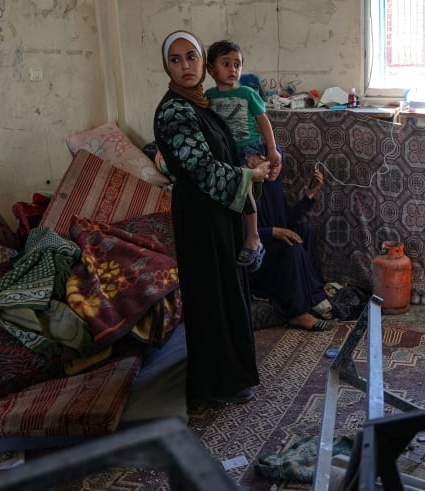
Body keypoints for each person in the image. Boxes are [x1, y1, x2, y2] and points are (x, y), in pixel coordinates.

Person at [153, 30, 270, 405]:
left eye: (192, 57)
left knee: (227, 294)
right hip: (200, 217)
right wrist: (249, 176)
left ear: (203, 62)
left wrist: (246, 165)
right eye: (176, 59)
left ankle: (232, 377)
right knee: (210, 297)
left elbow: (225, 153)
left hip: (220, 212)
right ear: (166, 66)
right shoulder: (174, 110)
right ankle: (213, 384)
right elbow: (201, 169)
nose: (185, 66)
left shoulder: (200, 103)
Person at [205, 40, 282, 270]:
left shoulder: (248, 93)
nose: (233, 69)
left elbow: (263, 121)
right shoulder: (207, 96)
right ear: (211, 69)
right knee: (227, 193)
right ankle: (235, 238)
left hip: (248, 149)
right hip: (224, 152)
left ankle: (254, 236)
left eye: (237, 64)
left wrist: (271, 149)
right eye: (226, 64)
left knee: (245, 184)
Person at [247, 157, 334, 331]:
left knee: (306, 232)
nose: (272, 168)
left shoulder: (272, 187)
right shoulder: (247, 189)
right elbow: (239, 234)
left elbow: (288, 221)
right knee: (292, 248)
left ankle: (315, 296)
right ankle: (298, 313)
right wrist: (272, 232)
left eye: (275, 164)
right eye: (265, 162)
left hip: (272, 243)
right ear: (251, 163)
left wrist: (310, 193)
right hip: (256, 252)